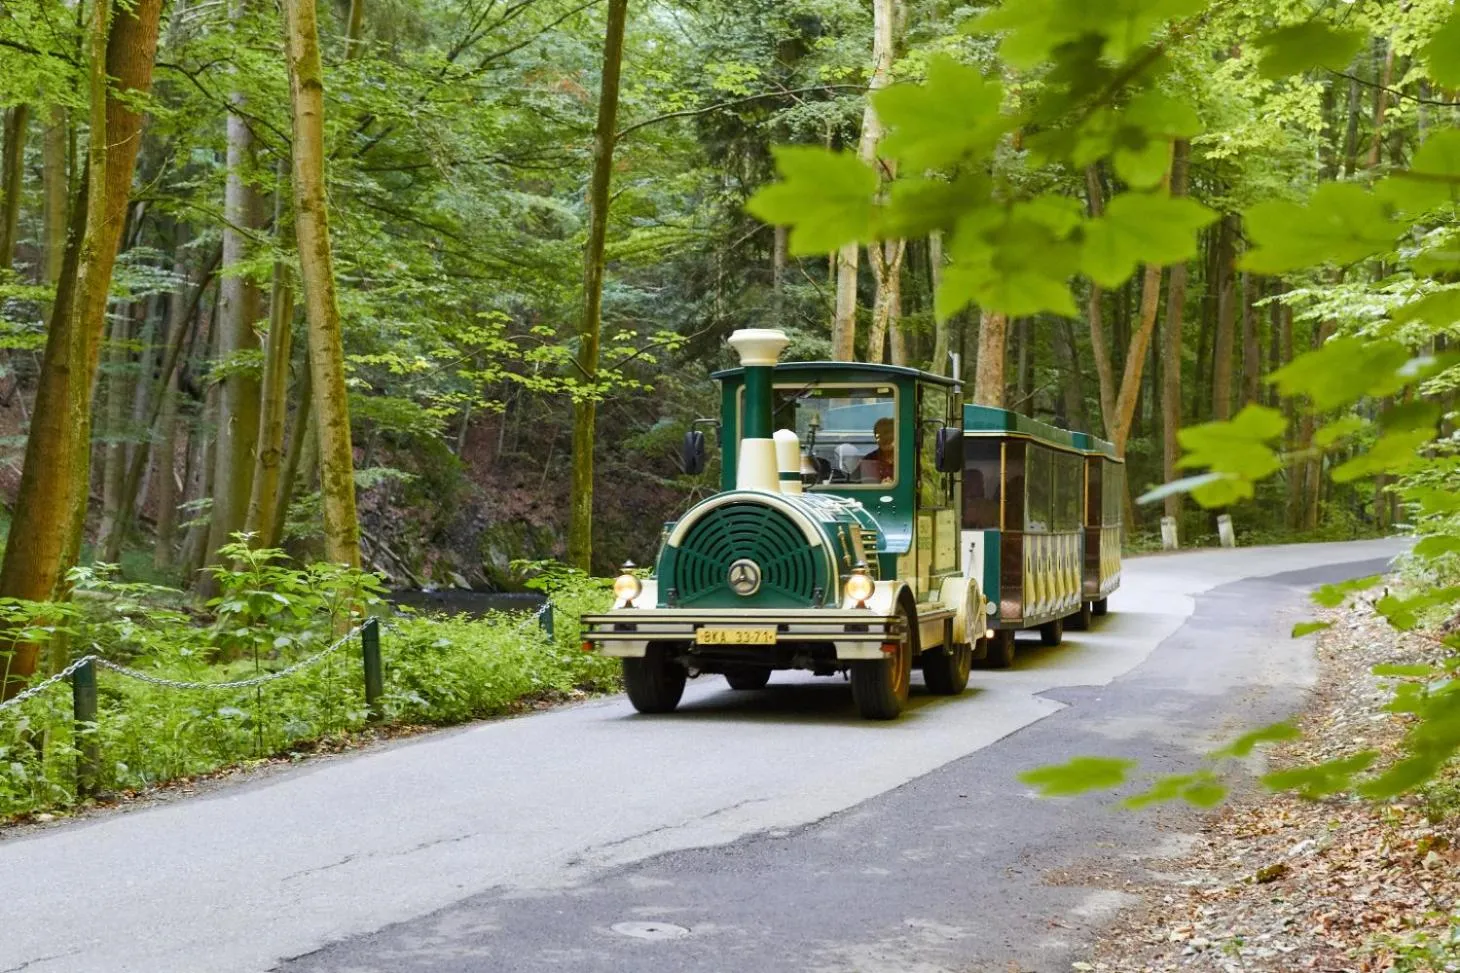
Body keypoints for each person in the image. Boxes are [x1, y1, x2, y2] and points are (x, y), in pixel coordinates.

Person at [859, 417, 895, 483]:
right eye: (878, 435)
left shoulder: (908, 459)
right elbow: (858, 485)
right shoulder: (868, 460)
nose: (884, 438)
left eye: (887, 433)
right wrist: (879, 486)